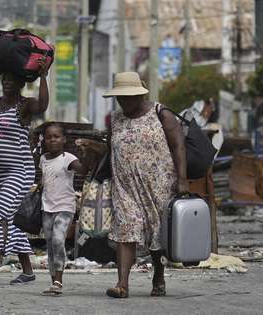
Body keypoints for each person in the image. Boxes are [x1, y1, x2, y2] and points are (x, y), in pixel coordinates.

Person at [76, 72, 188, 298]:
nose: (124, 101)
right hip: (125, 186)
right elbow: (112, 150)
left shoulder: (161, 114)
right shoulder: (116, 119)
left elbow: (178, 146)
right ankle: (122, 284)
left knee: (157, 232)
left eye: (129, 97)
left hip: (159, 185)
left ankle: (158, 274)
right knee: (125, 229)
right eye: (121, 97)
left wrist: (183, 179)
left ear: (140, 94)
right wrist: (92, 148)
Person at [0, 60, 49, 286]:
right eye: (4, 79)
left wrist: (43, 76)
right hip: (1, 173)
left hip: (20, 170)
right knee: (14, 221)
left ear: (21, 83)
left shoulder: (25, 105)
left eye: (11, 80)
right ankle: (27, 271)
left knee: (1, 215)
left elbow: (43, 106)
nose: (6, 83)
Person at [39, 123, 88, 296]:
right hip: (47, 207)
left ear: (64, 140)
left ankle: (59, 280)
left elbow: (82, 169)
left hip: (65, 206)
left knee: (58, 240)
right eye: (49, 137)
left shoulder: (68, 158)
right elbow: (45, 180)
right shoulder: (43, 159)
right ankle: (54, 283)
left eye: (56, 136)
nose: (52, 140)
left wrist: (85, 154)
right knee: (51, 246)